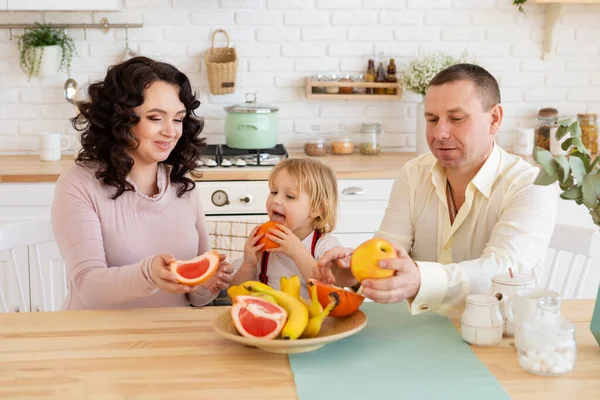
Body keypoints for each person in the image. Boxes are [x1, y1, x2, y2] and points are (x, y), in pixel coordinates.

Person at [315, 63, 557, 317]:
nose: (439, 133)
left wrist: (420, 278)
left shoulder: (531, 184)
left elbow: (501, 271)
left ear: (494, 119)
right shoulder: (413, 174)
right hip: (421, 331)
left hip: (499, 335)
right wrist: (352, 272)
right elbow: (387, 251)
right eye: (432, 119)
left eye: (456, 118)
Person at [51, 56, 234, 311]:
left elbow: (195, 297)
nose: (171, 131)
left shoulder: (183, 186)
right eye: (155, 118)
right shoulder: (78, 184)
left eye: (178, 119)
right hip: (95, 340)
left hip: (169, 339)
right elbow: (88, 287)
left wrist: (209, 284)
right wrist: (148, 274)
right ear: (120, 120)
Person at [230, 157, 340, 299]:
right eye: (274, 192)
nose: (276, 200)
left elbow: (331, 293)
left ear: (317, 209)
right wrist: (248, 264)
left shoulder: (325, 246)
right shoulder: (262, 242)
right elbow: (234, 294)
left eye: (289, 196)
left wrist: (297, 252)